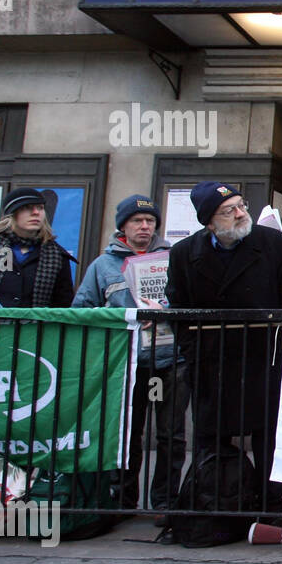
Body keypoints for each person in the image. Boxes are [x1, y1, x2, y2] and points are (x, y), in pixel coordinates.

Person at [164, 182, 282, 516]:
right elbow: (178, 311)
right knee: (211, 435)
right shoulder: (184, 253)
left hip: (264, 359)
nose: (241, 214)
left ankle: (269, 505)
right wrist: (195, 352)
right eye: (229, 211)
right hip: (212, 362)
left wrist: (281, 349)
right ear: (209, 221)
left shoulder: (271, 243)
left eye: (241, 205)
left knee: (267, 436)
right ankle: (214, 501)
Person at [73, 195, 187, 514]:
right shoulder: (103, 265)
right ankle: (123, 499)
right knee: (127, 434)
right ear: (123, 225)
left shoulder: (173, 257)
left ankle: (165, 501)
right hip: (127, 361)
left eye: (150, 221)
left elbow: (189, 299)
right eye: (137, 220)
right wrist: (123, 316)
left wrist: (165, 310)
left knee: (171, 436)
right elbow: (82, 310)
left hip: (171, 359)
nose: (145, 226)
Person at [0, 187, 75, 308]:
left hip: (34, 326)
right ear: (11, 214)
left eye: (40, 208)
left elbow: (63, 305)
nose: (36, 212)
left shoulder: (57, 256)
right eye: (27, 207)